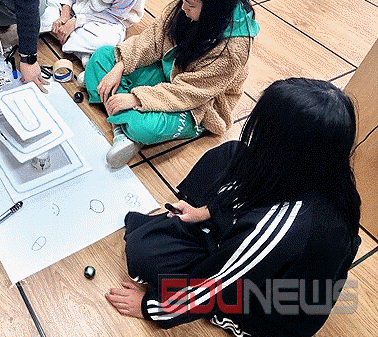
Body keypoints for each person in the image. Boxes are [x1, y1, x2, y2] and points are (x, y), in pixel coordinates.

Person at [106, 78, 362, 337]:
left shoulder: (282, 227)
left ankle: (213, 240)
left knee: (143, 250)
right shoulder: (329, 176)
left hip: (264, 310)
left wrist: (151, 307)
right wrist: (204, 212)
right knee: (232, 153)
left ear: (285, 149)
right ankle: (211, 227)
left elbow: (214, 289)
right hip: (262, 253)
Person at [84, 0, 259, 169]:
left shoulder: (233, 49)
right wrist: (120, 66)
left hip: (200, 103)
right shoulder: (186, 6)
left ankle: (119, 117)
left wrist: (137, 98)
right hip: (169, 72)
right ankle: (122, 123)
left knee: (144, 127)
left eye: (191, 4)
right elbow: (152, 39)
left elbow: (190, 92)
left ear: (214, 6)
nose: (183, 7)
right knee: (102, 57)